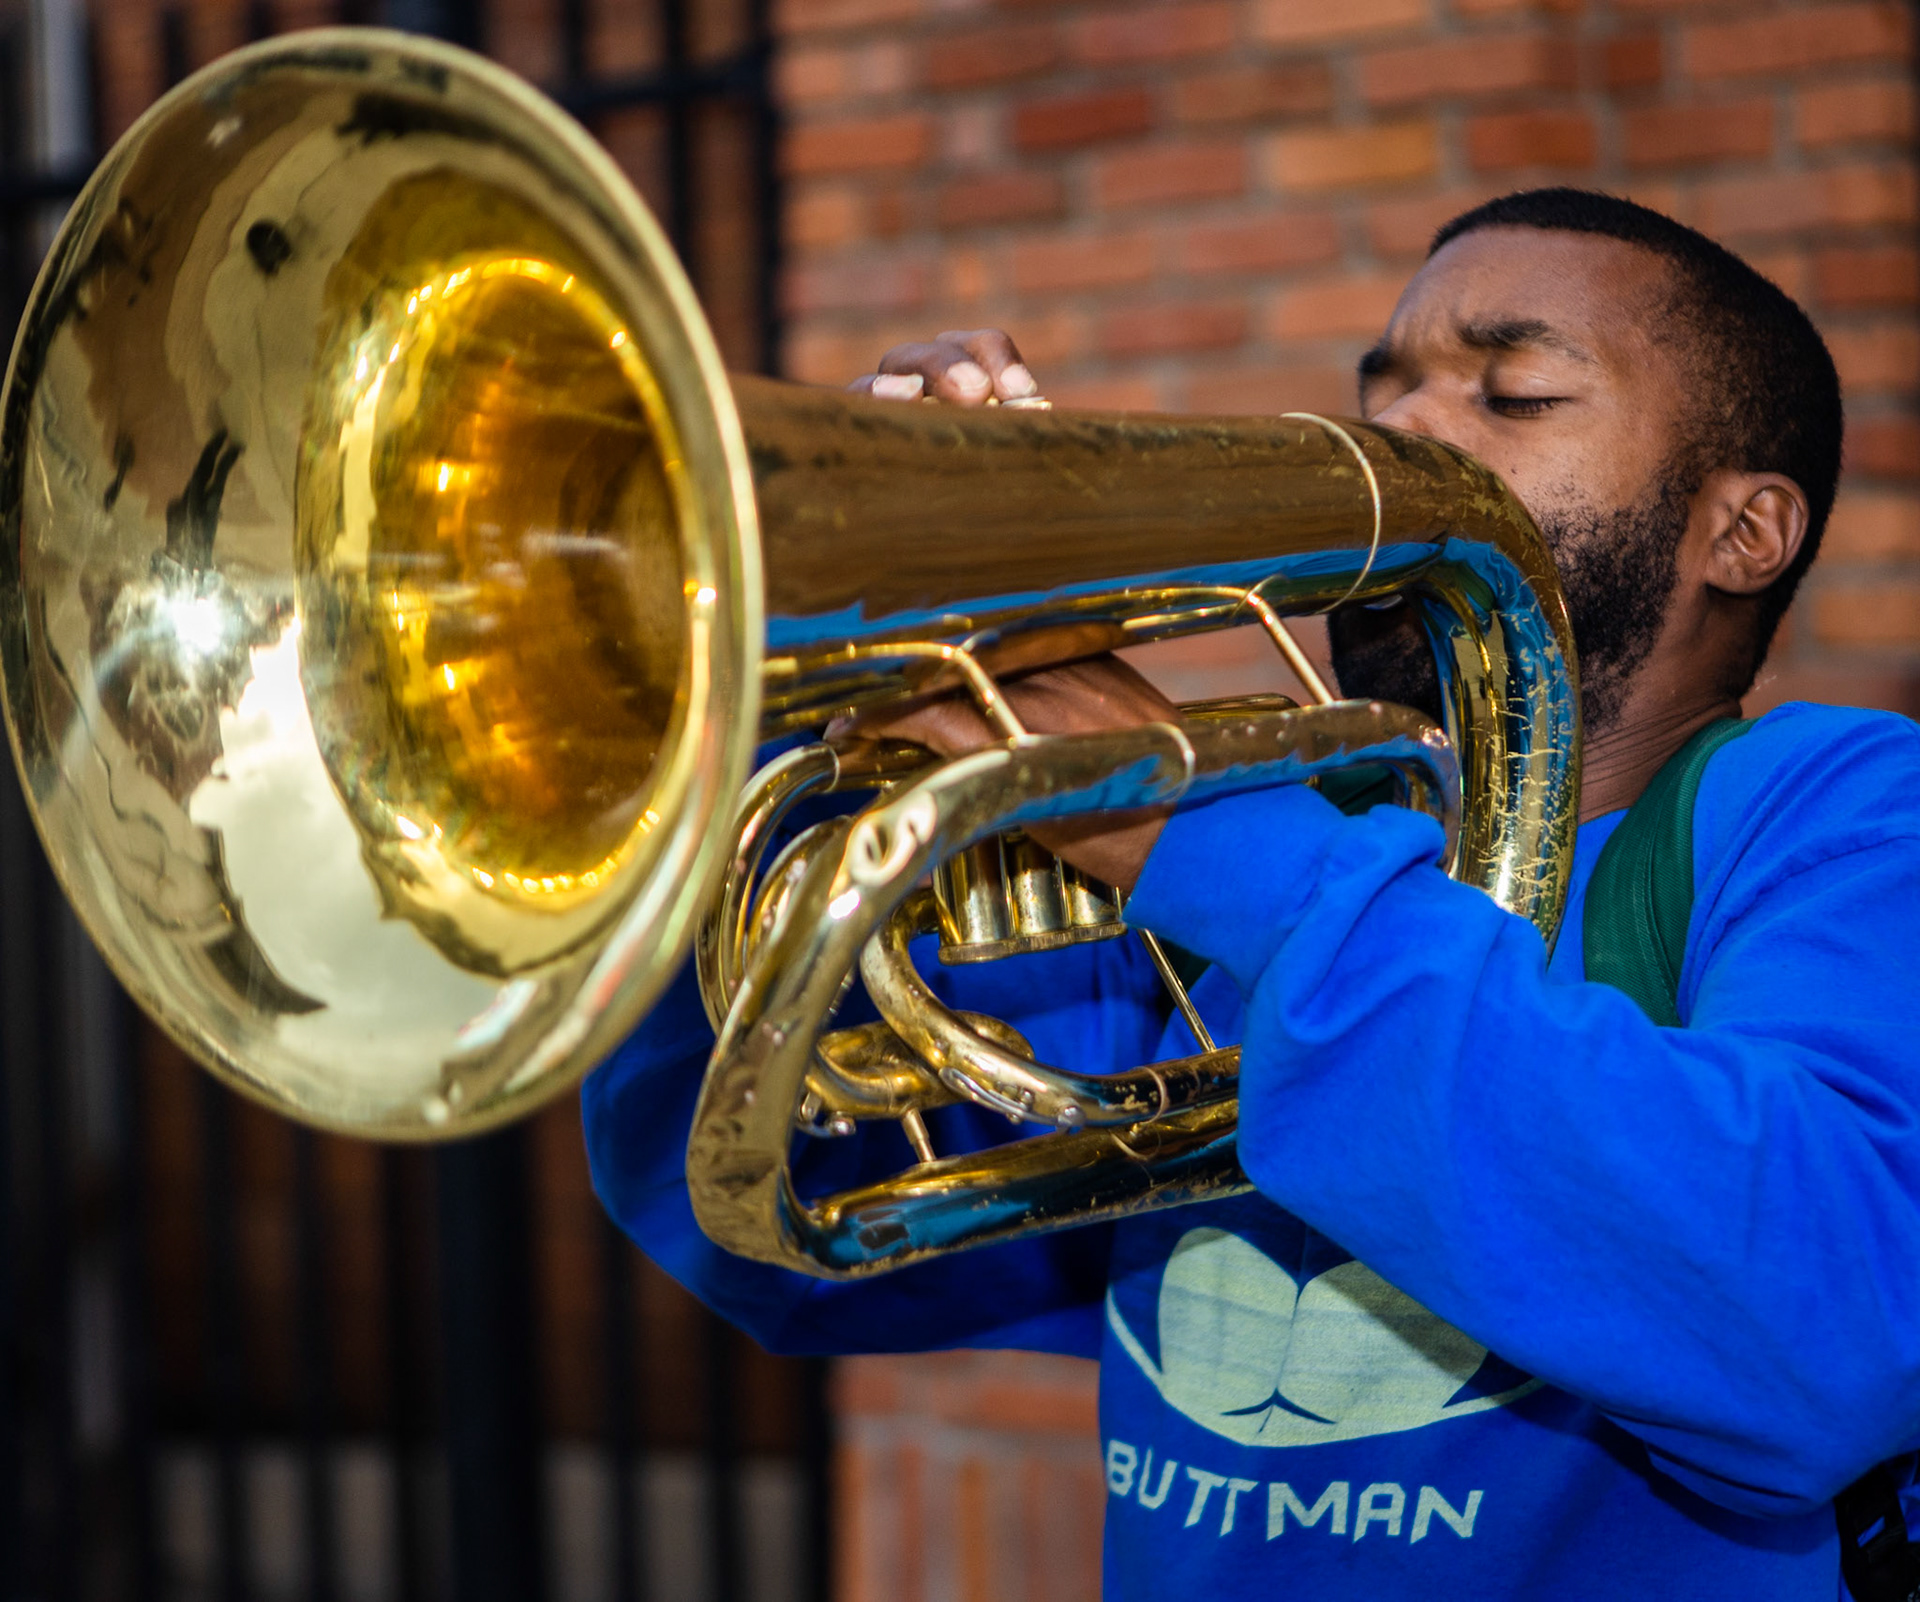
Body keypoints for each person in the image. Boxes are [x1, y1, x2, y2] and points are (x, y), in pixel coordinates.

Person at [583, 188, 1920, 1597]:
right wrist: (827, 708)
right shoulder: (1261, 855)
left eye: (1515, 392)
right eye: (1381, 385)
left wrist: (1190, 829)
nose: (1403, 427)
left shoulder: (1841, 812)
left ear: (1747, 531)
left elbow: (1832, 1330)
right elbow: (766, 1213)